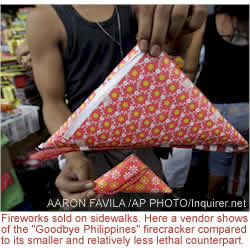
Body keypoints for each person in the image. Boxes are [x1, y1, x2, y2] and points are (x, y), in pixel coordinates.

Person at [24, 5, 207, 209]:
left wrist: (179, 27)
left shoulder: (136, 7)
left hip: (143, 145)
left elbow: (176, 52)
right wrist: (75, 156)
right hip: (89, 150)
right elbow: (53, 102)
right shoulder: (45, 19)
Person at [186, 5, 249, 199]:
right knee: (222, 159)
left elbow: (191, 65)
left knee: (193, 150)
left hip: (208, 106)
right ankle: (210, 199)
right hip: (244, 111)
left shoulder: (209, 20)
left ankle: (189, 194)